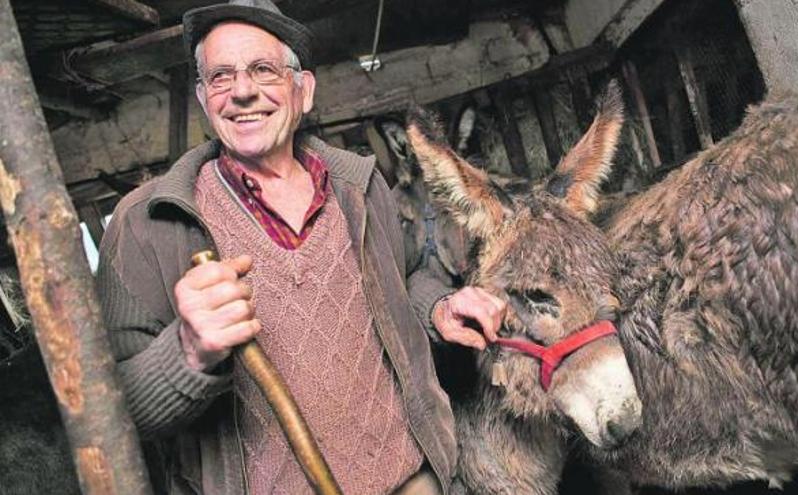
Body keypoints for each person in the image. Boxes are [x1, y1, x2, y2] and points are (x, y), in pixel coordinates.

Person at [95, 0, 506, 493]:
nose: (243, 91)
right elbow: (110, 416)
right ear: (204, 99)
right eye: (221, 76)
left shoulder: (361, 187)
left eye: (263, 70)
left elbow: (404, 280)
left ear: (303, 90)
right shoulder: (146, 225)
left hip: (413, 481)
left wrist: (438, 307)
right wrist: (187, 352)